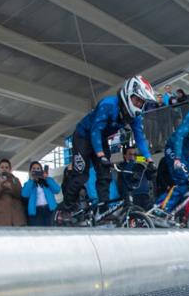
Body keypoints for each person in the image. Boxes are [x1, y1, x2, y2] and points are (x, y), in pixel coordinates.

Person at [60, 76, 156, 219]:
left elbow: (140, 138)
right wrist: (100, 155)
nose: (138, 105)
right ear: (128, 94)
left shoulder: (135, 116)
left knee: (105, 175)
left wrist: (149, 160)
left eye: (141, 102)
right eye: (137, 100)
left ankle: (103, 210)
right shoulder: (109, 104)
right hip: (84, 135)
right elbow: (95, 130)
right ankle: (66, 208)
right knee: (81, 175)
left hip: (101, 138)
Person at [22, 162, 60, 227]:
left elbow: (57, 190)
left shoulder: (48, 180)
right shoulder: (28, 183)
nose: (36, 170)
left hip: (50, 209)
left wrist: (47, 179)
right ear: (30, 171)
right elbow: (25, 194)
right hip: (36, 211)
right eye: (33, 169)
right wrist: (31, 180)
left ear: (41, 170)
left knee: (52, 231)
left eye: (38, 168)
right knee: (38, 233)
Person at [0, 158, 25, 227]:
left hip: (16, 218)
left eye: (6, 167)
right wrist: (0, 185)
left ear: (10, 169)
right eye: (2, 167)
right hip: (1, 217)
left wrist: (10, 188)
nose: (4, 169)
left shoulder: (15, 180)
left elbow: (20, 194)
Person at [116, 146, 153, 210]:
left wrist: (149, 165)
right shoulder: (121, 166)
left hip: (145, 195)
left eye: (134, 154)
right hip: (132, 196)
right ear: (125, 155)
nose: (133, 156)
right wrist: (132, 161)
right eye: (130, 154)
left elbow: (149, 177)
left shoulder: (140, 166)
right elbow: (126, 175)